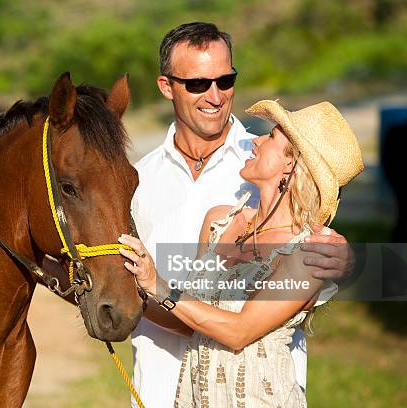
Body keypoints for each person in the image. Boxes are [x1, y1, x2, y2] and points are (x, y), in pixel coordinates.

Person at [127, 22, 355, 407]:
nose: (215, 96)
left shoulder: (255, 156)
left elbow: (312, 251)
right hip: (165, 389)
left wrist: (346, 261)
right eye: (198, 84)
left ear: (290, 166)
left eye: (226, 80)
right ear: (167, 87)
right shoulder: (138, 179)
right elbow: (159, 298)